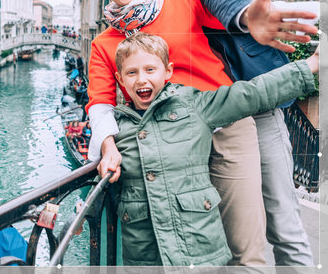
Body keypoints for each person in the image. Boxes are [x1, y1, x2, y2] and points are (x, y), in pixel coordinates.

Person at [86, 0, 318, 266]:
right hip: (170, 144)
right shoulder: (103, 43)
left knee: (244, 247)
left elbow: (232, 16)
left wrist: (251, 16)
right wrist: (108, 145)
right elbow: (100, 103)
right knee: (191, 249)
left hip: (225, 124)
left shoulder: (182, 2)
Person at [149, 0, 316, 265]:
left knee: (283, 223)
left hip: (257, 110)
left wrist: (245, 14)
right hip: (205, 122)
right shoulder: (161, 6)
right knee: (224, 229)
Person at [112, 33, 319, 266]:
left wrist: (311, 65)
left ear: (168, 71)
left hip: (200, 253)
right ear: (120, 78)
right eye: (132, 72)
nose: (141, 79)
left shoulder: (194, 105)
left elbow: (253, 93)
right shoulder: (115, 129)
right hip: (144, 260)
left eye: (150, 70)